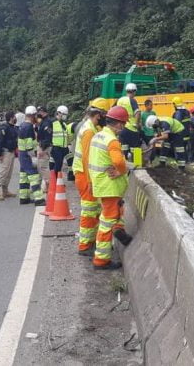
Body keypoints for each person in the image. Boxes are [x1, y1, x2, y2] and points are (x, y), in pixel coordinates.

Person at [88, 106, 131, 269]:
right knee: (106, 222)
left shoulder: (98, 135)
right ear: (119, 124)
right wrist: (121, 171)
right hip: (110, 186)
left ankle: (120, 232)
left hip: (100, 183)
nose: (124, 127)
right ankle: (101, 260)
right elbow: (119, 163)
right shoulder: (111, 140)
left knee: (115, 213)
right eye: (124, 124)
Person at [73, 99, 110, 256]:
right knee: (89, 211)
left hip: (84, 173)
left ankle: (90, 242)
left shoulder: (91, 127)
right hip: (84, 175)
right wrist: (90, 182)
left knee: (93, 210)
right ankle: (84, 246)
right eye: (104, 115)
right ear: (98, 115)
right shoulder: (89, 131)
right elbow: (87, 158)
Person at [18, 106, 46, 206]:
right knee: (34, 176)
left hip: (22, 154)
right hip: (27, 155)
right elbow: (29, 144)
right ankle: (39, 199)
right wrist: (33, 157)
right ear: (33, 115)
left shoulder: (22, 125)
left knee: (24, 177)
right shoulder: (29, 127)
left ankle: (23, 198)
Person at [0, 111, 18, 201]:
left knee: (9, 173)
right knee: (3, 172)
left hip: (11, 152)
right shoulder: (5, 127)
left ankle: (5, 190)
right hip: (5, 153)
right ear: (11, 118)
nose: (16, 118)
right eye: (14, 116)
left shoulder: (13, 128)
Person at [116, 83, 142, 161]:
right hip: (132, 128)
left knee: (124, 147)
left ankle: (124, 164)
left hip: (122, 128)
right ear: (134, 91)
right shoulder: (132, 100)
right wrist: (136, 124)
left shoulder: (120, 100)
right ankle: (137, 164)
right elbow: (137, 112)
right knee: (136, 148)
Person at [50, 105, 73, 175]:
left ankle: (61, 179)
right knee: (58, 165)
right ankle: (55, 181)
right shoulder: (52, 123)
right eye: (64, 114)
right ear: (59, 113)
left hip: (64, 147)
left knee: (68, 159)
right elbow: (48, 134)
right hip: (56, 147)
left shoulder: (64, 124)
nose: (65, 116)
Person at [35, 106, 53, 193]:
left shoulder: (46, 123)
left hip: (44, 147)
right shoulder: (43, 121)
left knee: (43, 167)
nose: (38, 114)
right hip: (43, 146)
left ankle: (48, 185)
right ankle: (44, 186)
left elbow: (47, 137)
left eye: (39, 112)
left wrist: (42, 149)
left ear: (42, 112)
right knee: (41, 166)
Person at [172, 96, 192, 161]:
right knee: (185, 150)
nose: (173, 106)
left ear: (175, 104)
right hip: (187, 135)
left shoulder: (178, 113)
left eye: (173, 104)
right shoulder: (187, 111)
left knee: (179, 150)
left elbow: (176, 124)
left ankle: (179, 162)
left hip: (180, 135)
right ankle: (186, 161)